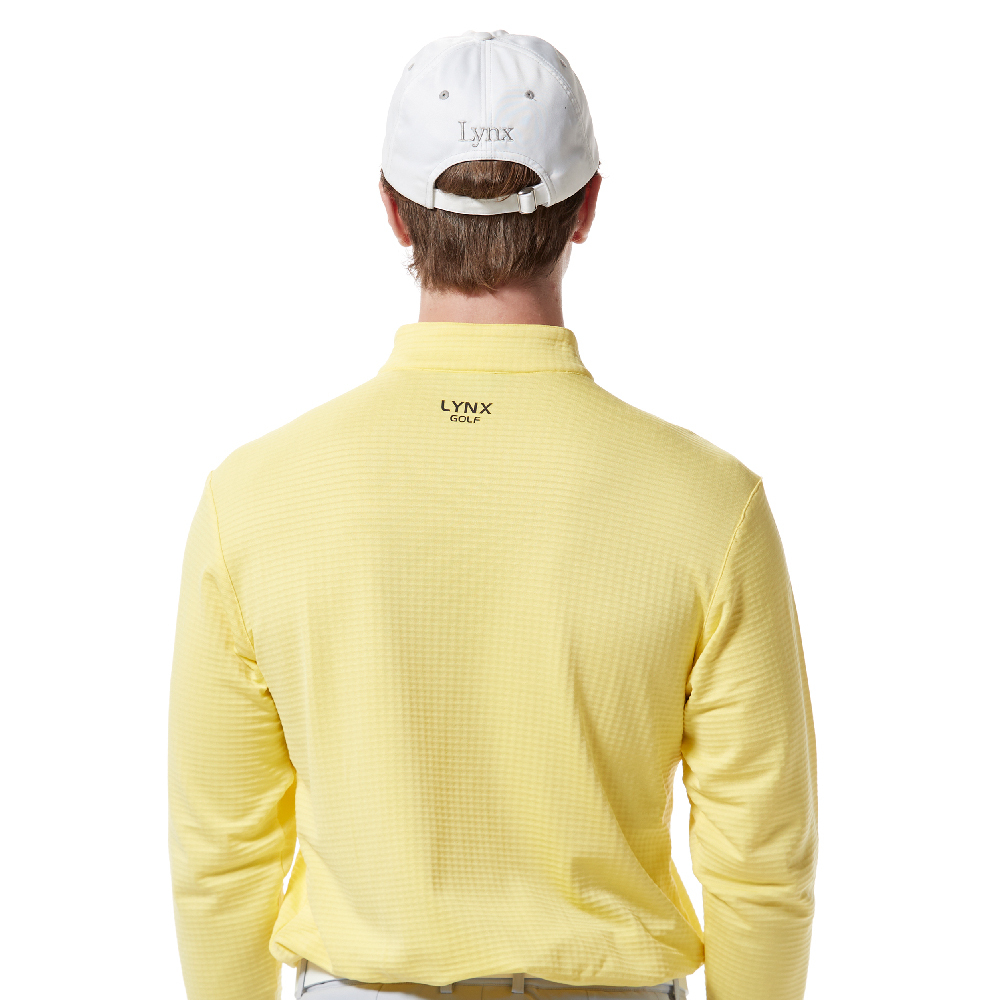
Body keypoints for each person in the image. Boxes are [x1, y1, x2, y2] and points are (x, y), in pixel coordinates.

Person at [167, 29, 818, 1000]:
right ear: (587, 206)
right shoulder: (711, 504)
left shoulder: (254, 498)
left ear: (393, 212)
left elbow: (220, 851)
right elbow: (761, 855)